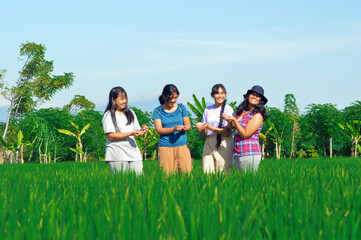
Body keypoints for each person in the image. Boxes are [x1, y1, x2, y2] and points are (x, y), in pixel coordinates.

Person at [102, 86, 149, 174]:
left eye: (126, 98)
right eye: (121, 99)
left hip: (134, 153)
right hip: (117, 154)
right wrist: (130, 133)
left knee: (138, 181)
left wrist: (141, 131)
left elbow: (136, 132)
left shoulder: (131, 113)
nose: (125, 101)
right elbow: (111, 136)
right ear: (113, 100)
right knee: (122, 183)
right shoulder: (108, 115)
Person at [223, 85, 268, 172]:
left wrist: (234, 120)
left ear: (260, 100)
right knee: (241, 183)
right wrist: (228, 119)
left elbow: (245, 134)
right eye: (252, 94)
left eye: (258, 96)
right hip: (238, 152)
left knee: (248, 182)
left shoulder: (257, 115)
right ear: (248, 96)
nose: (254, 97)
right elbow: (230, 126)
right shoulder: (241, 111)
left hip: (250, 153)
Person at [152, 84, 193, 174]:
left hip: (182, 145)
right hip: (166, 146)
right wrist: (173, 129)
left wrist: (184, 128)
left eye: (176, 97)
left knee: (186, 175)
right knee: (168, 177)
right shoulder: (157, 111)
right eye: (171, 98)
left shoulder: (181, 108)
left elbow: (188, 125)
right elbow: (159, 130)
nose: (174, 100)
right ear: (164, 96)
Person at [196, 84, 234, 173]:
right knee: (207, 172)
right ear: (212, 95)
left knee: (222, 173)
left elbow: (226, 132)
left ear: (226, 94)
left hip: (224, 142)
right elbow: (204, 133)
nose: (220, 96)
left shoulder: (229, 109)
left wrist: (208, 126)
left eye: (222, 93)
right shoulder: (207, 110)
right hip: (209, 142)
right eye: (217, 93)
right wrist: (202, 128)